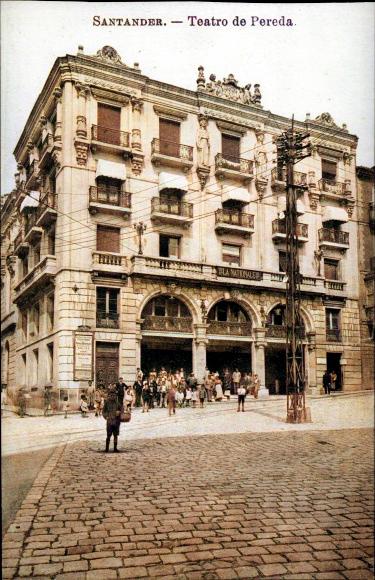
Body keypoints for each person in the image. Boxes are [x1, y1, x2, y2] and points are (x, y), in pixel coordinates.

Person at [103, 385, 122, 453]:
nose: (112, 396)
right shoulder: (107, 403)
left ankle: (115, 448)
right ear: (109, 395)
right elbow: (103, 412)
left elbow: (122, 410)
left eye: (114, 395)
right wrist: (106, 416)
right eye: (111, 395)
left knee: (115, 435)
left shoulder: (117, 403)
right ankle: (107, 448)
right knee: (108, 435)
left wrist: (119, 412)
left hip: (116, 422)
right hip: (109, 422)